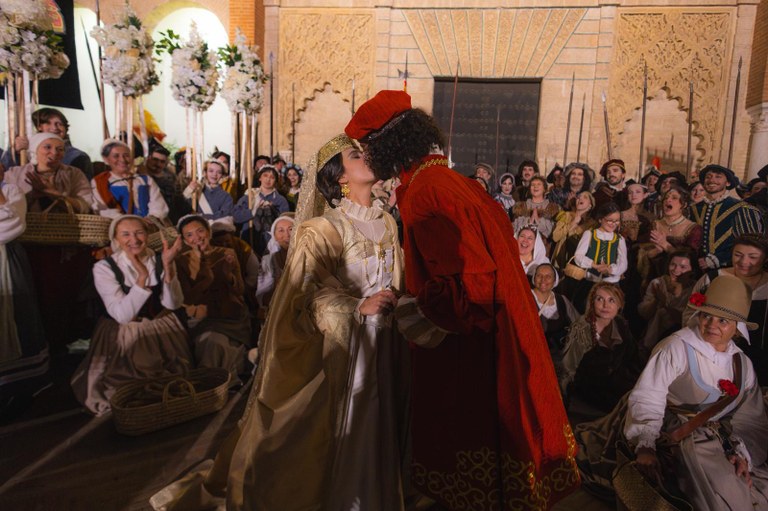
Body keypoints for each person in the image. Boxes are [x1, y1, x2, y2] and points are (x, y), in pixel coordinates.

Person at [346, 90, 578, 508]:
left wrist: (413, 307)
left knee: (471, 443)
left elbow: (467, 284)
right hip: (499, 324)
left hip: (469, 341)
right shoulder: (451, 181)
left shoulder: (425, 190)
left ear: (387, 144)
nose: (365, 157)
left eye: (367, 148)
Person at [150, 134, 409, 510]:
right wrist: (356, 307)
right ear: (340, 176)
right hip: (344, 349)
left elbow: (397, 280)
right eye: (355, 155)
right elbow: (304, 297)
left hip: (384, 344)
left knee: (380, 424)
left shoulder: (387, 222)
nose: (366, 156)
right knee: (344, 427)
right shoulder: (322, 229)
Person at [625, 275, 768, 510]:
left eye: (722, 320)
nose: (711, 325)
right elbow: (649, 394)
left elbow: (751, 417)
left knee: (756, 485)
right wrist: (646, 445)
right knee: (723, 485)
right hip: (678, 429)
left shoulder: (742, 365)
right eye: (706, 315)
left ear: (737, 327)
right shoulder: (676, 347)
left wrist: (742, 454)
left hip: (722, 437)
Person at [71, 215, 191, 416]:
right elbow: (122, 316)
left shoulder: (161, 259)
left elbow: (173, 304)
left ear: (148, 235)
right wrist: (142, 278)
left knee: (174, 381)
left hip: (160, 327)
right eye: (125, 234)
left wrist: (169, 267)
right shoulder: (104, 268)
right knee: (122, 388)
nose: (133, 240)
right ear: (116, 239)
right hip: (121, 333)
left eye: (139, 233)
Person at [175, 215, 251, 384]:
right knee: (213, 342)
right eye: (189, 235)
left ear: (208, 232)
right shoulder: (181, 261)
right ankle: (213, 384)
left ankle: (225, 382)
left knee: (227, 347)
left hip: (232, 316)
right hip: (204, 319)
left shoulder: (227, 253)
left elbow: (240, 290)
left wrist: (228, 276)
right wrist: (206, 280)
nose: (197, 237)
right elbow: (187, 299)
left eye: (200, 231)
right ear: (185, 240)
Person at [686, 235, 768, 384]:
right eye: (738, 255)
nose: (744, 262)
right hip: (714, 356)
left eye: (753, 257)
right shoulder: (712, 279)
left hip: (761, 361)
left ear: (764, 259)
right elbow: (689, 316)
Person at [0, 170, 48, 407]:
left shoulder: (11, 191)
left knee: (16, 315)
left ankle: (19, 386)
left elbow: (14, 225)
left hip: (7, 260)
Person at [560, 282, 642, 412]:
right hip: (588, 387)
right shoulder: (581, 328)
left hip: (616, 381)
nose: (605, 305)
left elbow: (633, 357)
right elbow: (568, 367)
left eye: (611, 300)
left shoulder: (620, 324)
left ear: (619, 305)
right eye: (600, 299)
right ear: (592, 302)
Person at [690, 164, 763, 270]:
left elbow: (752, 245)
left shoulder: (743, 209)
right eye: (708, 177)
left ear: (728, 183)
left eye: (718, 176)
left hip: (729, 269)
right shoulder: (693, 209)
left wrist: (719, 259)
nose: (712, 180)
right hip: (694, 269)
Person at [3, 132, 92, 213]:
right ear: (35, 150)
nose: (54, 152)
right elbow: (4, 208)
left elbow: (86, 207)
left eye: (60, 149)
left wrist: (54, 194)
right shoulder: (15, 174)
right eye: (47, 147)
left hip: (63, 225)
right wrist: (30, 197)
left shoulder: (73, 174)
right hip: (26, 225)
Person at [2, 107, 93, 179]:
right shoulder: (27, 151)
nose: (54, 128)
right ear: (39, 127)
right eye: (48, 123)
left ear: (65, 128)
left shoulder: (78, 157)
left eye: (59, 124)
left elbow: (81, 187)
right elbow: (5, 175)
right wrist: (14, 152)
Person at [569, 201, 628, 312]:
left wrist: (611, 269)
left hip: (611, 283)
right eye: (610, 220)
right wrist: (594, 265)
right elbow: (578, 256)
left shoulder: (619, 239)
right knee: (586, 309)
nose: (613, 224)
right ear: (600, 219)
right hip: (590, 281)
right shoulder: (590, 234)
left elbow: (623, 263)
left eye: (616, 221)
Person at [91, 139, 169, 222]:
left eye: (126, 155)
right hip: (119, 226)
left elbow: (158, 204)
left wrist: (152, 219)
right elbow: (104, 209)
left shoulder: (145, 180)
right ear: (106, 159)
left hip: (150, 226)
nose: (123, 160)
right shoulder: (101, 182)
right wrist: (129, 222)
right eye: (116, 156)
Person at [637, 249, 698, 350]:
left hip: (680, 341)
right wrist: (656, 301)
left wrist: (665, 305)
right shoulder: (658, 283)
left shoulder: (695, 289)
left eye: (683, 267)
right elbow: (644, 314)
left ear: (692, 270)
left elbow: (687, 321)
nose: (676, 270)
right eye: (673, 265)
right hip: (653, 340)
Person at [531, 263, 578, 380]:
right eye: (539, 275)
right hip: (534, 358)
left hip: (560, 359)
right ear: (534, 278)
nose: (543, 280)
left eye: (548, 276)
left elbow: (578, 324)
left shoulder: (562, 300)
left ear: (554, 280)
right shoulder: (526, 299)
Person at [233, 165, 289, 254]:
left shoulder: (280, 200)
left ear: (275, 181)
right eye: (265, 175)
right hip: (249, 239)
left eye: (272, 177)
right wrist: (252, 212)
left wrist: (272, 211)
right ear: (260, 178)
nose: (268, 179)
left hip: (270, 243)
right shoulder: (250, 196)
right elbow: (236, 216)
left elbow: (285, 221)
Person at [254, 214, 293, 310]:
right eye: (281, 230)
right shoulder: (269, 259)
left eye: (291, 229)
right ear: (274, 235)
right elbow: (263, 297)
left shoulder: (306, 254)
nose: (287, 235)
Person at [551, 190, 596, 270]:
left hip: (578, 266)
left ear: (590, 205)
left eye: (585, 197)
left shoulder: (592, 224)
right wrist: (573, 222)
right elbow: (555, 237)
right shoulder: (566, 215)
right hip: (560, 262)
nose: (580, 198)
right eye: (578, 197)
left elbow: (590, 245)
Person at [182, 160, 235, 226]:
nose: (214, 174)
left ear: (222, 175)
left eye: (219, 172)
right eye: (211, 171)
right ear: (205, 173)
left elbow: (225, 215)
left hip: (217, 229)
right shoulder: (197, 192)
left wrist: (200, 217)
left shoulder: (226, 197)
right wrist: (189, 190)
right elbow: (183, 207)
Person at [511, 174, 560, 239]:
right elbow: (516, 230)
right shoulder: (520, 207)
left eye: (539, 184)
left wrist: (537, 221)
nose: (535, 186)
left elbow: (552, 233)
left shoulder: (552, 208)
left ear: (544, 189)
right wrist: (529, 221)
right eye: (533, 185)